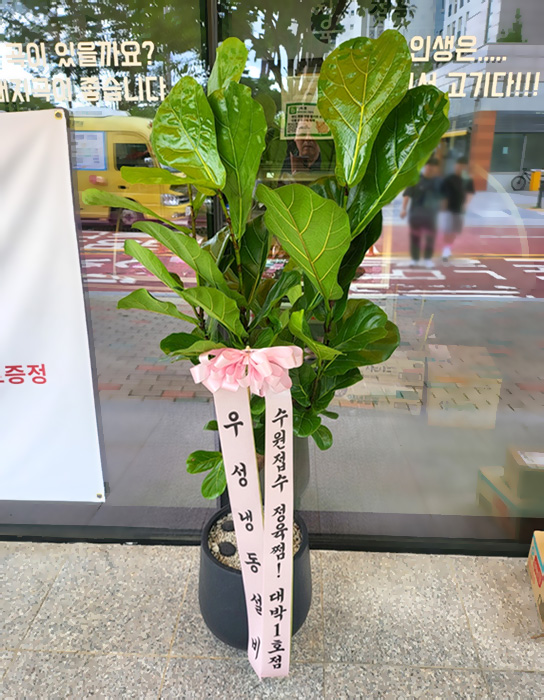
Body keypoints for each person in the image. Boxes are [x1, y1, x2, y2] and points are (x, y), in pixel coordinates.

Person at [400, 158, 442, 268]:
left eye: (432, 166)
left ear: (435, 168)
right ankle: (415, 259)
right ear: (425, 166)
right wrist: (403, 209)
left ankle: (427, 259)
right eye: (428, 165)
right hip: (416, 214)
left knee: (430, 237)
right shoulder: (416, 179)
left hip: (431, 215)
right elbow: (407, 194)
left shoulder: (437, 182)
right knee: (415, 237)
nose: (430, 168)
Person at [440, 156, 475, 261]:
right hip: (448, 209)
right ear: (456, 166)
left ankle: (448, 248)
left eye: (463, 167)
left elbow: (470, 193)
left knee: (455, 230)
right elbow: (443, 194)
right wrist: (443, 207)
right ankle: (445, 250)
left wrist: (465, 204)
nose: (461, 168)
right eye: (459, 166)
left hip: (459, 210)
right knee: (448, 230)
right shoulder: (449, 179)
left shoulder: (467, 180)